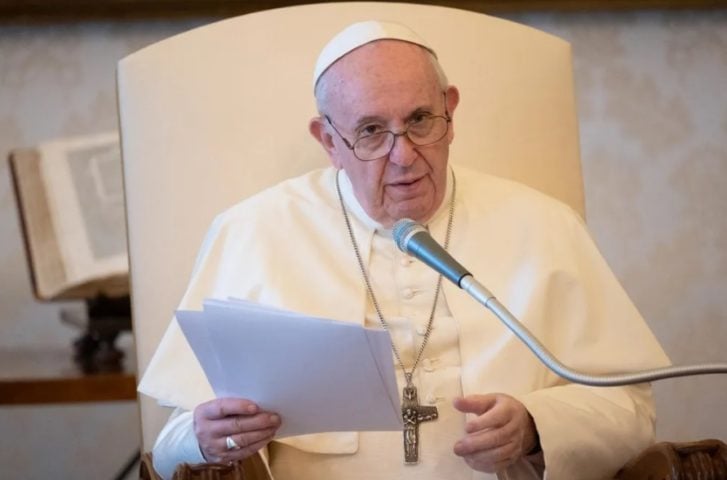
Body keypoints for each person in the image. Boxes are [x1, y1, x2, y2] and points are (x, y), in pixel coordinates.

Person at [141, 20, 670, 480]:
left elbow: (629, 411)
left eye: (420, 120)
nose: (404, 156)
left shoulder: (544, 224)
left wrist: (537, 427)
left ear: (451, 110)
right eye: (371, 131)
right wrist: (207, 440)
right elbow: (169, 449)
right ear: (328, 141)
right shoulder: (252, 232)